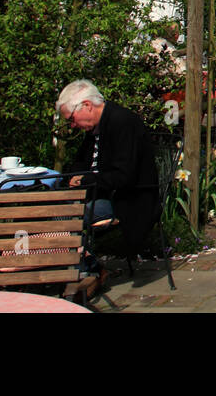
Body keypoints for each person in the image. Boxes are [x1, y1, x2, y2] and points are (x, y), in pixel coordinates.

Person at [57, 80, 158, 262]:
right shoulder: (96, 128)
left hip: (127, 200)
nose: (72, 125)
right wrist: (72, 179)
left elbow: (124, 176)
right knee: (49, 207)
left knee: (62, 216)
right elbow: (80, 163)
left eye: (71, 118)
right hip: (102, 195)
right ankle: (68, 266)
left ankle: (81, 269)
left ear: (87, 106)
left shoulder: (123, 123)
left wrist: (84, 180)